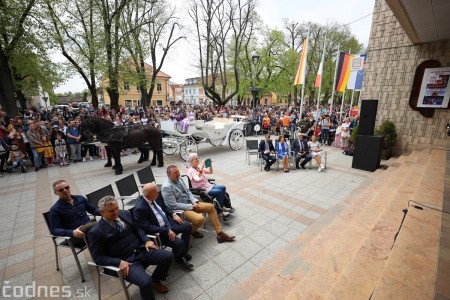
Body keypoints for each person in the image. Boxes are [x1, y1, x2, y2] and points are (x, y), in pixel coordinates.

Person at [88, 196, 173, 299]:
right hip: (126, 262)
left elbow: (137, 229)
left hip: (140, 250)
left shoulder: (125, 214)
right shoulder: (95, 232)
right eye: (111, 211)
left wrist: (146, 241)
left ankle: (156, 280)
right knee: (146, 282)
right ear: (102, 213)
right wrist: (118, 262)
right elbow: (98, 258)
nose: (116, 212)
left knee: (168, 256)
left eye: (117, 208)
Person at [161, 165, 235, 243]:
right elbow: (173, 205)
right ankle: (191, 231)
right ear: (168, 175)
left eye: (178, 171)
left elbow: (188, 192)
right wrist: (191, 206)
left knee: (211, 207)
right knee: (200, 219)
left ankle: (220, 234)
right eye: (175, 173)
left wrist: (194, 201)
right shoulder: (166, 187)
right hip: (182, 209)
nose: (178, 174)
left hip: (191, 203)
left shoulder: (180, 179)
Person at [133, 183, 193, 268]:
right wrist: (166, 231)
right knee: (179, 243)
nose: (158, 194)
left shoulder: (156, 196)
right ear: (147, 195)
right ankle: (180, 258)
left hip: (168, 223)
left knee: (187, 226)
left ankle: (182, 253)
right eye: (156, 193)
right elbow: (147, 227)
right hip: (160, 231)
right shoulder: (140, 208)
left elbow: (165, 207)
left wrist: (173, 214)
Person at [49, 180, 100, 247]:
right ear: (56, 193)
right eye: (61, 190)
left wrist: (105, 211)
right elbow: (54, 230)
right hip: (76, 236)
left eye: (67, 187)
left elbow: (93, 210)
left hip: (90, 228)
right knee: (101, 226)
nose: (65, 190)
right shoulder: (55, 209)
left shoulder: (80, 198)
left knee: (113, 215)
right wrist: (72, 232)